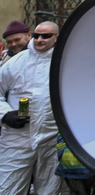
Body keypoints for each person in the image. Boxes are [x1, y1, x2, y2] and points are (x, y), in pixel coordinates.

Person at [0, 21, 62, 195]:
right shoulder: (16, 62)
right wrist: (4, 115)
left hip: (50, 140)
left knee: (49, 191)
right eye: (36, 35)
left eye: (46, 36)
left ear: (56, 37)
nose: (39, 39)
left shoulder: (64, 63)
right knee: (8, 190)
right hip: (16, 140)